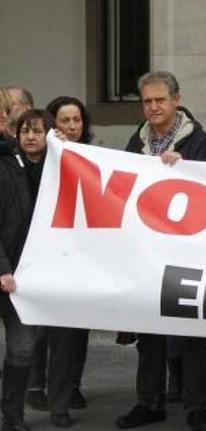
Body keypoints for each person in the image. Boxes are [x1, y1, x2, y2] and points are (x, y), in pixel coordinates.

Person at [117, 71, 206, 431]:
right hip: (149, 254)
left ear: (177, 99)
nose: (154, 107)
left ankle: (197, 406)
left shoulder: (199, 141)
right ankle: (149, 402)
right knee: (149, 333)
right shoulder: (136, 143)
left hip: (189, 253)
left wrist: (187, 169)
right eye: (147, 101)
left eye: (160, 99)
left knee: (192, 333)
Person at [25, 99, 93, 423]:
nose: (71, 126)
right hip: (43, 258)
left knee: (71, 335)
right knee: (41, 331)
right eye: (64, 120)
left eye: (76, 120)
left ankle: (63, 398)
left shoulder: (96, 157)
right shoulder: (40, 159)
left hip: (80, 261)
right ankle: (38, 388)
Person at [0, 107, 39, 431]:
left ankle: (13, 416)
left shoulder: (15, 156)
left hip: (19, 275)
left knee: (22, 348)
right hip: (6, 271)